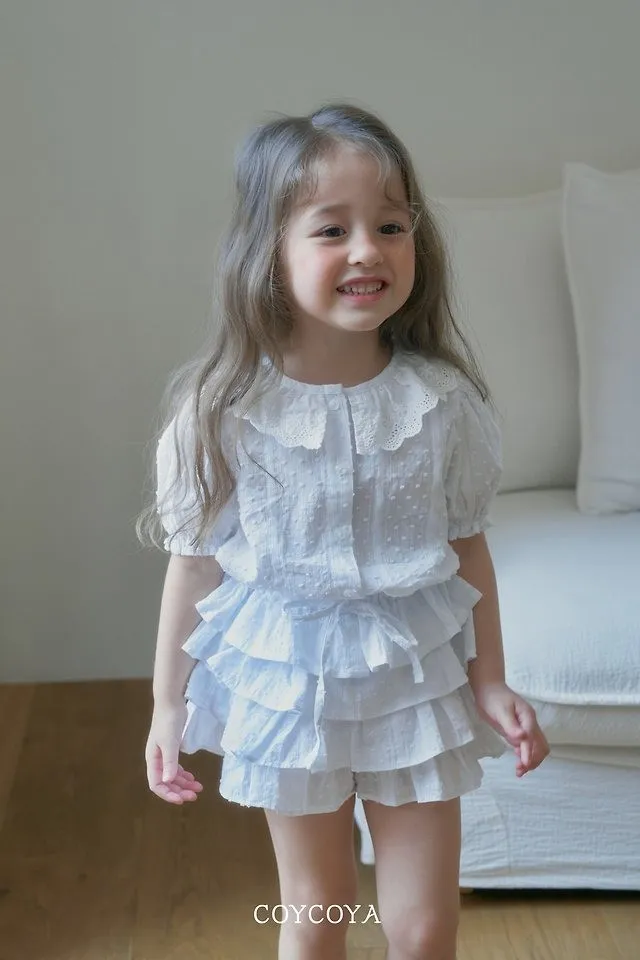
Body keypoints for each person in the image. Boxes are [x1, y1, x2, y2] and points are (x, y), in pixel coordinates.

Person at [137, 102, 549, 960]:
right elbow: (195, 566)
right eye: (332, 230)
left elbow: (466, 545)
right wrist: (168, 705)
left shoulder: (442, 402)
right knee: (317, 912)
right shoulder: (222, 412)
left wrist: (491, 680)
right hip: (289, 691)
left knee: (425, 926)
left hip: (414, 681)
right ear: (268, 253)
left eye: (391, 226)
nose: (368, 250)